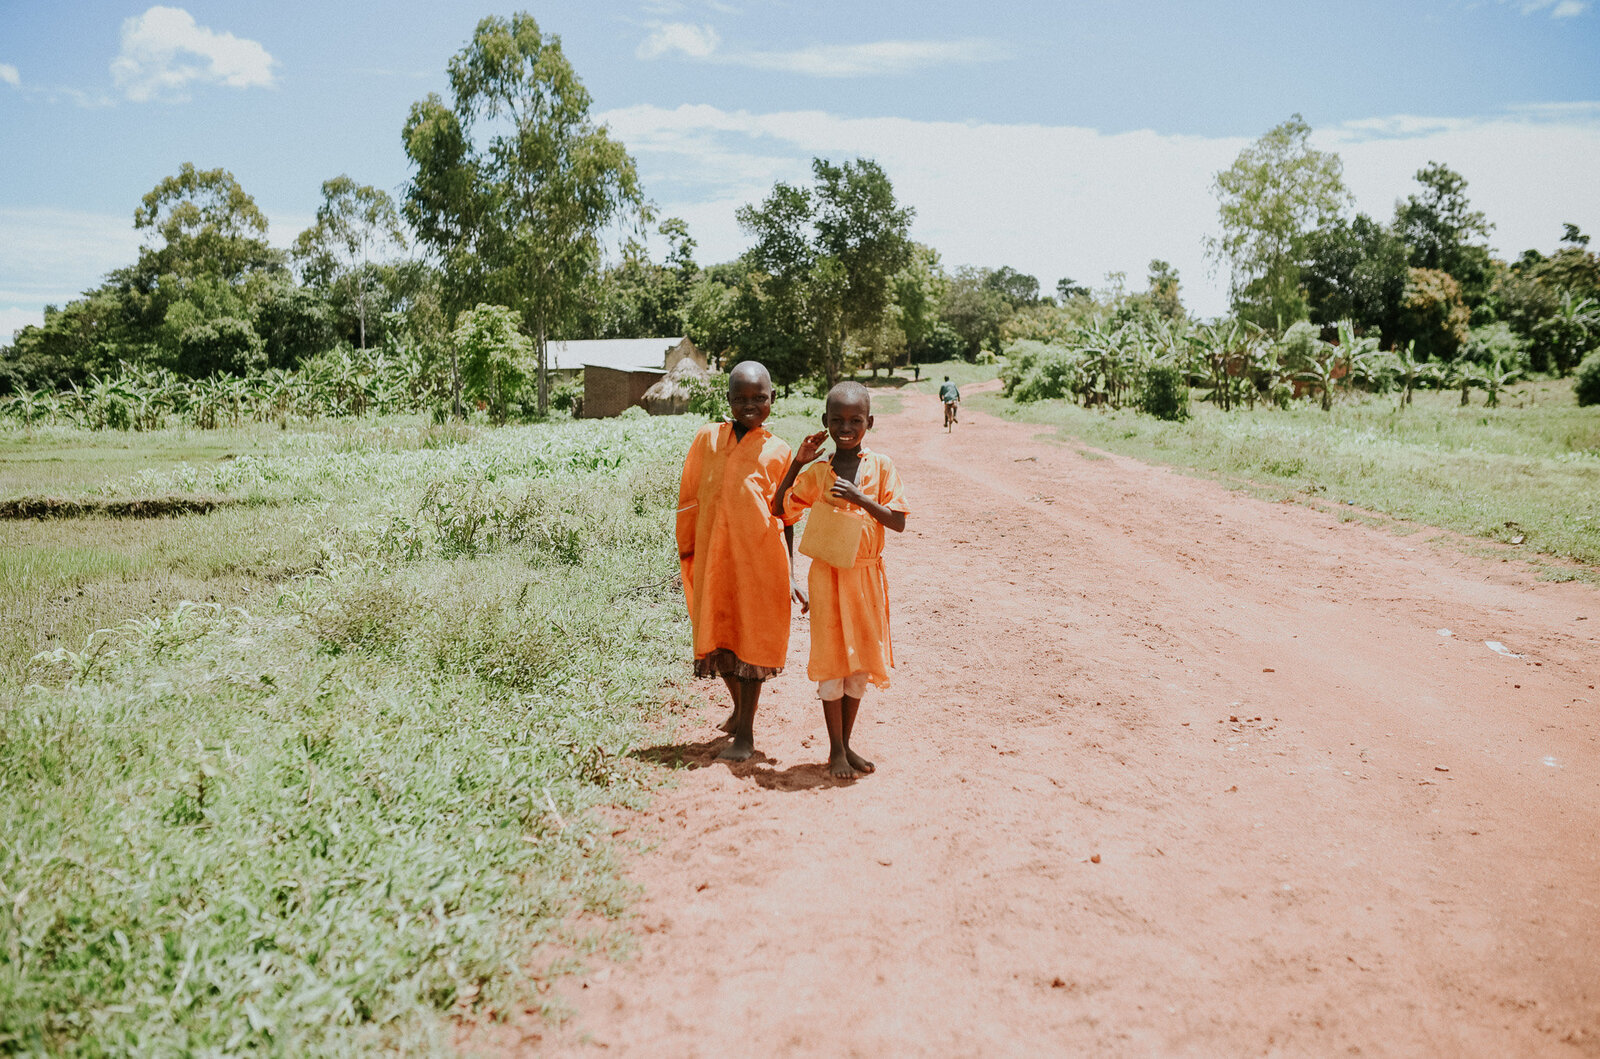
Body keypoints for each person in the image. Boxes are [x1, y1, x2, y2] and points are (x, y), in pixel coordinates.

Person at [773, 382, 909, 779]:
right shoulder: (818, 473)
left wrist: (861, 498)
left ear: (869, 422)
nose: (845, 428)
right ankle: (835, 750)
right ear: (825, 423)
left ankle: (847, 744)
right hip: (827, 579)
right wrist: (798, 462)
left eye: (855, 421)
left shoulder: (882, 467)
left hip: (865, 578)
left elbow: (897, 521)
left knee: (860, 663)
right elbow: (781, 508)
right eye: (837, 421)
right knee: (833, 660)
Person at [677, 361, 804, 761]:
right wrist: (691, 551)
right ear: (728, 400)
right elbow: (691, 498)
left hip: (760, 564)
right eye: (741, 398)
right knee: (721, 638)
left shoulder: (779, 451)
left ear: (772, 399)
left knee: (752, 641)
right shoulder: (706, 440)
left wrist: (791, 574)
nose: (750, 405)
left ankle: (746, 735)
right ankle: (737, 710)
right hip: (716, 561)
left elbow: (786, 517)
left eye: (759, 398)